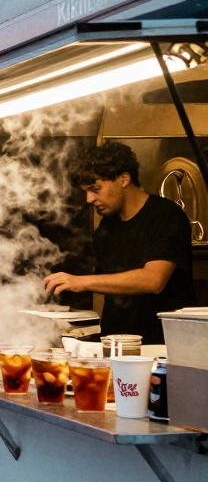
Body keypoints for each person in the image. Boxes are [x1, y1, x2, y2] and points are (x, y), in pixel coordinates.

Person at [44, 141, 197, 343]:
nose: (89, 199)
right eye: (85, 191)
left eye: (95, 189)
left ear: (123, 179)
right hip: (116, 343)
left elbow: (153, 281)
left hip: (163, 345)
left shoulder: (166, 216)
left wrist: (80, 281)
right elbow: (110, 289)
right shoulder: (107, 228)